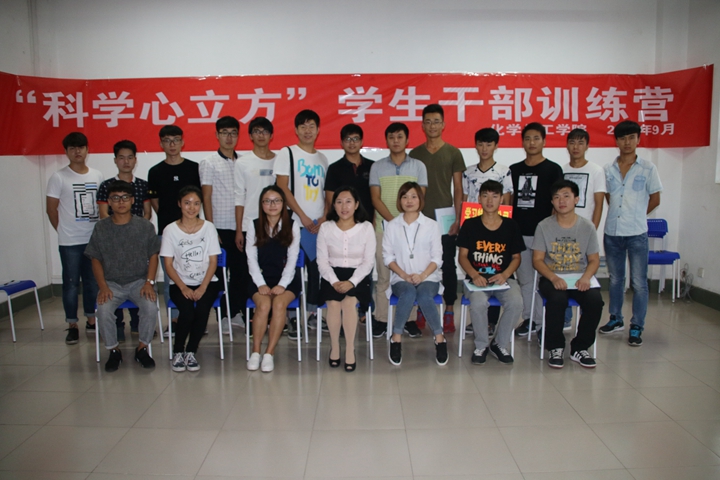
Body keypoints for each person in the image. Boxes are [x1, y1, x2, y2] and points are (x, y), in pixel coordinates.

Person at [84, 181, 160, 371]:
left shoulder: (145, 226)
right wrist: (103, 286)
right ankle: (114, 350)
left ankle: (142, 348)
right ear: (109, 202)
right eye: (115, 198)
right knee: (103, 311)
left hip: (139, 282)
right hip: (111, 283)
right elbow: (95, 259)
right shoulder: (101, 228)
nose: (121, 202)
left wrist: (149, 282)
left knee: (150, 307)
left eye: (125, 197)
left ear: (132, 200)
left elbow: (153, 255)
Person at [599, 120, 662, 346]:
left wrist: (636, 215)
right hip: (612, 232)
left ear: (638, 139)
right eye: (623, 138)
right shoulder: (608, 169)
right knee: (616, 279)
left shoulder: (648, 168)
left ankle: (637, 325)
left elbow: (655, 198)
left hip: (637, 233)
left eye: (631, 137)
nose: (627, 142)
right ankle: (616, 318)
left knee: (639, 282)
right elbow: (608, 196)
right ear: (616, 141)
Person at [533, 180, 604, 368]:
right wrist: (554, 277)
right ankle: (555, 347)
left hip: (580, 277)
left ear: (576, 199)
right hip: (552, 277)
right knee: (557, 299)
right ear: (552, 202)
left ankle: (580, 347)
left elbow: (594, 259)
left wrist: (586, 277)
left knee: (595, 301)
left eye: (566, 196)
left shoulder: (587, 226)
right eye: (556, 197)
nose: (561, 201)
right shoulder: (543, 226)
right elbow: (537, 260)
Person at [409, 104, 466, 333]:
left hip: (445, 220)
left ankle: (449, 309)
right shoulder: (415, 154)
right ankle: (422, 307)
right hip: (420, 219)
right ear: (422, 126)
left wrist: (458, 219)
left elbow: (459, 189)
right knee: (421, 263)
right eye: (428, 121)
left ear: (443, 124)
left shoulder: (453, 152)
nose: (432, 126)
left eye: (436, 121)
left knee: (448, 265)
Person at [369, 123, 428, 338]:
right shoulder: (377, 167)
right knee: (383, 276)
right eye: (391, 137)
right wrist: (394, 222)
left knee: (410, 275)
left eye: (400, 136)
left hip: (412, 230)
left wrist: (404, 222)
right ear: (386, 140)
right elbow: (375, 198)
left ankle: (409, 319)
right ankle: (381, 319)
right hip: (383, 229)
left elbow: (419, 198)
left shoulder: (419, 166)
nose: (396, 141)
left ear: (407, 140)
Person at [274, 110, 328, 339]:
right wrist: (302, 216)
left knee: (317, 272)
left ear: (318, 129)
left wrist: (323, 217)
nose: (308, 130)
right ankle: (293, 317)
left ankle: (313, 314)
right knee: (293, 272)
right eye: (303, 126)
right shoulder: (287, 153)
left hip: (318, 225)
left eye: (311, 126)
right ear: (296, 130)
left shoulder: (323, 159)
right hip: (295, 223)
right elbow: (282, 188)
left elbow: (326, 193)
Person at [457, 180, 524, 365]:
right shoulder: (470, 225)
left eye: (494, 196)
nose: (489, 200)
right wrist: (474, 275)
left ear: (501, 199)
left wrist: (505, 275)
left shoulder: (511, 225)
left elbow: (516, 258)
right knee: (478, 303)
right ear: (479, 199)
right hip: (476, 279)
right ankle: (481, 345)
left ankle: (499, 343)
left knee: (516, 302)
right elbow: (462, 256)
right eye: (485, 196)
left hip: (504, 278)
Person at [46, 132, 103, 345]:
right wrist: (63, 230)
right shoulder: (59, 177)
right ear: (66, 151)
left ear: (87, 150)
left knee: (92, 282)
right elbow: (51, 210)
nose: (77, 151)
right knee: (70, 284)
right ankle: (72, 324)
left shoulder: (97, 175)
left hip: (93, 240)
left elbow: (103, 206)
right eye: (72, 148)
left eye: (80, 147)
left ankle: (91, 320)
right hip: (69, 241)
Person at [383, 182, 447, 366]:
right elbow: (387, 257)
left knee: (424, 295)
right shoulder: (392, 226)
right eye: (404, 197)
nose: (409, 201)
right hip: (400, 278)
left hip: (429, 277)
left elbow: (437, 258)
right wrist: (404, 275)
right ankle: (396, 338)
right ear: (399, 200)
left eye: (413, 196)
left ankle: (439, 338)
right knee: (409, 292)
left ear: (420, 199)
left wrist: (422, 275)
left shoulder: (432, 225)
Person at [509, 122, 564, 337]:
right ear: (522, 142)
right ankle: (531, 319)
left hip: (544, 235)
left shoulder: (553, 169)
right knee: (526, 280)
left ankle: (547, 322)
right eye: (528, 138)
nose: (532, 142)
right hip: (519, 233)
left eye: (536, 138)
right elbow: (508, 201)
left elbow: (558, 203)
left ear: (544, 141)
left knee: (546, 279)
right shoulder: (514, 170)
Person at [160, 186, 221, 372]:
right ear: (179, 204)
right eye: (187, 203)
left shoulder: (208, 227)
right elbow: (168, 265)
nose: (192, 208)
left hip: (207, 282)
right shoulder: (170, 230)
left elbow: (213, 262)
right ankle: (178, 351)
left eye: (196, 203)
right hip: (179, 283)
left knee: (202, 311)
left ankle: (191, 352)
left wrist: (202, 288)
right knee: (186, 312)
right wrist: (183, 287)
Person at [97, 139, 152, 342]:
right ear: (115, 160)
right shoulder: (106, 186)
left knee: (138, 278)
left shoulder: (142, 185)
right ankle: (117, 328)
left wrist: (136, 232)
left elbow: (147, 213)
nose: (126, 162)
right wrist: (118, 231)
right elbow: (103, 213)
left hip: (137, 240)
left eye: (130, 158)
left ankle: (138, 326)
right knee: (114, 281)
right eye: (121, 158)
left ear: (135, 160)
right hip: (113, 240)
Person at [148, 125, 201, 337]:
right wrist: (173, 224)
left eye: (176, 140)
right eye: (167, 140)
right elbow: (155, 201)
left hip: (194, 231)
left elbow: (199, 199)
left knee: (195, 273)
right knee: (171, 276)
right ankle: (175, 320)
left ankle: (195, 319)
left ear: (182, 142)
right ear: (161, 143)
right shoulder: (155, 171)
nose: (172, 144)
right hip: (167, 232)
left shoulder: (194, 168)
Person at [461, 127, 514, 336]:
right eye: (481, 144)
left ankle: (491, 322)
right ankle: (478, 320)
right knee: (475, 269)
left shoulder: (503, 171)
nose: (484, 148)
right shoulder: (468, 172)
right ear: (475, 145)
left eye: (489, 144)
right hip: (474, 229)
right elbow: (465, 199)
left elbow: (507, 202)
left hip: (496, 228)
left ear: (496, 146)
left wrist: (503, 227)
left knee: (495, 269)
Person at [317, 187, 375, 372]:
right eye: (339, 202)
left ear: (356, 204)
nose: (344, 206)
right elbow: (322, 261)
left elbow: (368, 262)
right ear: (334, 205)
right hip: (331, 275)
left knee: (349, 303)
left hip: (358, 275)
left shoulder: (366, 227)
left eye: (348, 201)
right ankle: (335, 347)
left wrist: (352, 282)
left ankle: (350, 349)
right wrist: (334, 281)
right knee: (334, 304)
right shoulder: (326, 228)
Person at [245, 186, 301, 373]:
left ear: (283, 204)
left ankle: (269, 353)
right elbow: (251, 258)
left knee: (278, 304)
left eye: (277, 200)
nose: (272, 205)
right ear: (261, 204)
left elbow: (292, 259)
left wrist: (282, 285)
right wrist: (261, 283)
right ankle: (255, 352)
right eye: (267, 201)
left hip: (287, 279)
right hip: (259, 277)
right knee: (263, 305)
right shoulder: (253, 225)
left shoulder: (292, 225)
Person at [324, 124, 376, 324]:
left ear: (362, 142)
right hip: (341, 227)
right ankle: (340, 311)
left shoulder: (372, 167)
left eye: (355, 139)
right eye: (348, 139)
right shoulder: (334, 168)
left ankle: (364, 309)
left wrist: (372, 224)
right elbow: (330, 200)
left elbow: (375, 198)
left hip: (365, 226)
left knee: (365, 267)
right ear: (342, 142)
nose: (352, 143)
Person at [200, 116, 244, 333]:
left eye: (233, 133)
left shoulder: (243, 161)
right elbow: (206, 197)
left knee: (240, 273)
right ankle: (220, 315)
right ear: (217, 135)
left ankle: (233, 312)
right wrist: (211, 229)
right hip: (219, 228)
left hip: (241, 227)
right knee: (217, 275)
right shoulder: (208, 162)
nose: (229, 137)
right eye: (225, 133)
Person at [234, 117, 277, 335]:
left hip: (276, 225)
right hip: (250, 224)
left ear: (271, 135)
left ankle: (276, 318)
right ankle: (253, 318)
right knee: (249, 272)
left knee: (275, 270)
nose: (261, 135)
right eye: (257, 131)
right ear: (250, 135)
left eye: (265, 131)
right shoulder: (242, 162)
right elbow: (239, 197)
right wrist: (239, 229)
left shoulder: (279, 161)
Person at [561, 128, 606, 330]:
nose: (576, 147)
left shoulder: (596, 170)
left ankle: (584, 320)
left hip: (584, 232)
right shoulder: (562, 170)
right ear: (567, 145)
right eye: (572, 142)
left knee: (584, 275)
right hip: (563, 231)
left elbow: (599, 204)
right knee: (562, 271)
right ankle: (565, 318)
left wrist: (592, 231)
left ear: (587, 146)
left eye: (580, 142)